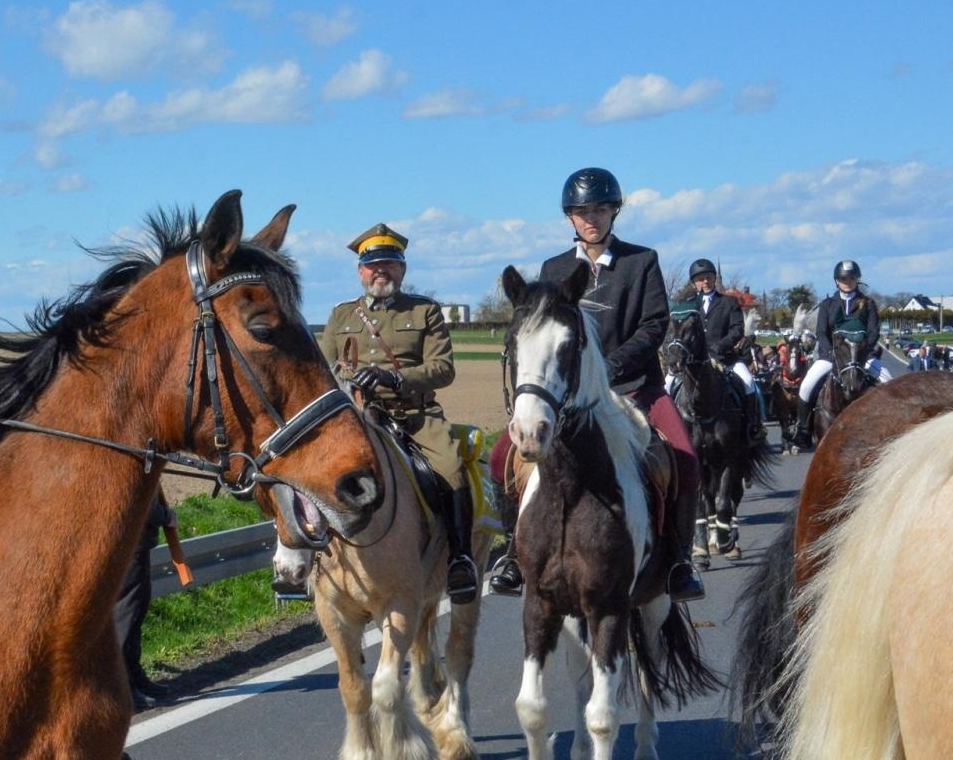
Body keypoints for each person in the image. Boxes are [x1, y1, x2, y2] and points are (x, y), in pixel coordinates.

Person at [487, 168, 706, 603]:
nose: (592, 219)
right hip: (570, 399)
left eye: (601, 210)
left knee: (683, 456)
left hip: (634, 388)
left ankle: (680, 559)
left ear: (613, 213)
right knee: (500, 457)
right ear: (570, 217)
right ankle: (513, 553)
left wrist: (608, 367)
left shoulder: (641, 262)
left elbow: (654, 324)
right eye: (583, 211)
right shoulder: (554, 268)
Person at [314, 224, 479, 605]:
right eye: (372, 265)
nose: (380, 271)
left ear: (402, 270)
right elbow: (322, 373)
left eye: (389, 263)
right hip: (357, 417)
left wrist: (395, 377)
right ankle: (309, 561)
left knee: (451, 470)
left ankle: (460, 560)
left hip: (413, 417)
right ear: (360, 271)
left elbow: (443, 368)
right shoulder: (340, 316)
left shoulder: (424, 311)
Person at [792, 260, 891, 449]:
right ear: (837, 281)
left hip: (862, 358)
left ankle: (895, 430)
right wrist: (832, 352)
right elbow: (821, 332)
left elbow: (873, 332)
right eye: (844, 278)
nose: (848, 281)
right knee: (806, 386)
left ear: (857, 280)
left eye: (852, 278)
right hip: (832, 357)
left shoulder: (868, 304)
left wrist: (861, 354)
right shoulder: (828, 304)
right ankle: (802, 429)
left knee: (889, 381)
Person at [686, 258, 767, 445]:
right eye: (700, 279)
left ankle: (753, 426)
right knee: (669, 385)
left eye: (708, 277)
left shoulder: (729, 302)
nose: (705, 282)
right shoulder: (689, 305)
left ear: (714, 279)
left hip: (725, 359)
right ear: (694, 283)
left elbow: (737, 329)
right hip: (695, 362)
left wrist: (718, 347)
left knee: (748, 382)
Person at [116, 496, 175, 711]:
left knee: (136, 613)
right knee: (126, 616)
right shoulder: (139, 463)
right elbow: (139, 500)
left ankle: (135, 676)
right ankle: (123, 688)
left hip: (135, 544)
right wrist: (166, 516)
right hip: (130, 543)